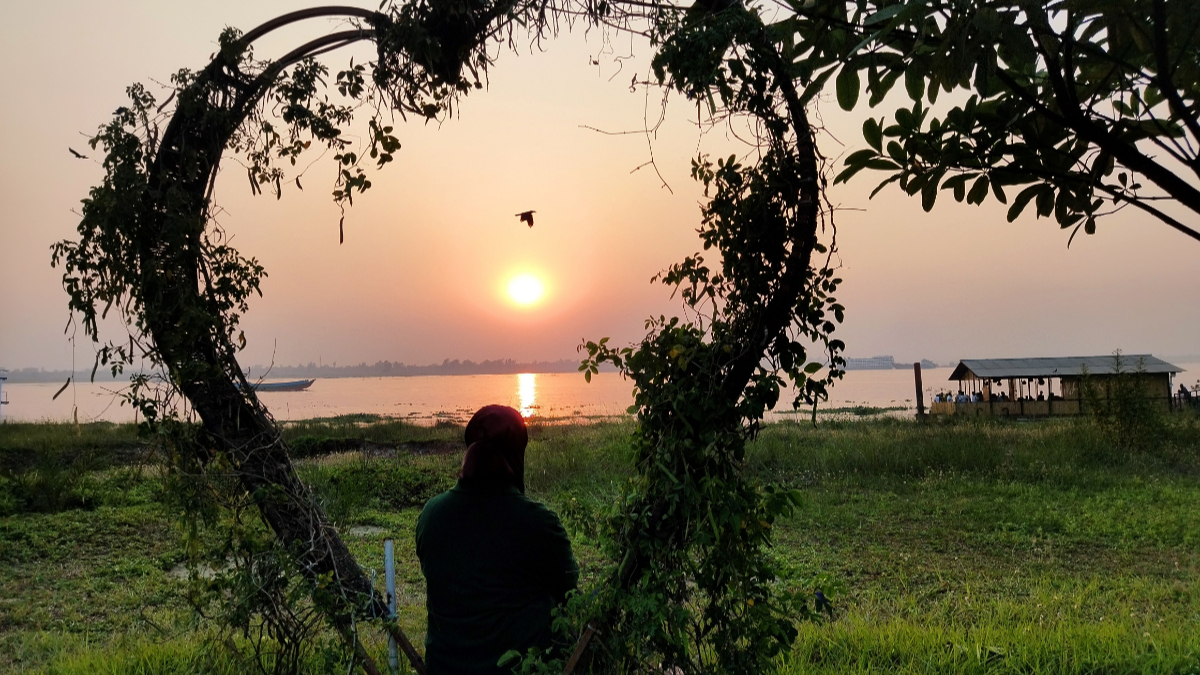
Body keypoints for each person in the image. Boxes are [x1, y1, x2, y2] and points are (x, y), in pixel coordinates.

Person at [416, 405, 579, 675]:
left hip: (445, 668)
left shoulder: (431, 516)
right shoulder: (538, 523)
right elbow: (570, 592)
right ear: (515, 458)